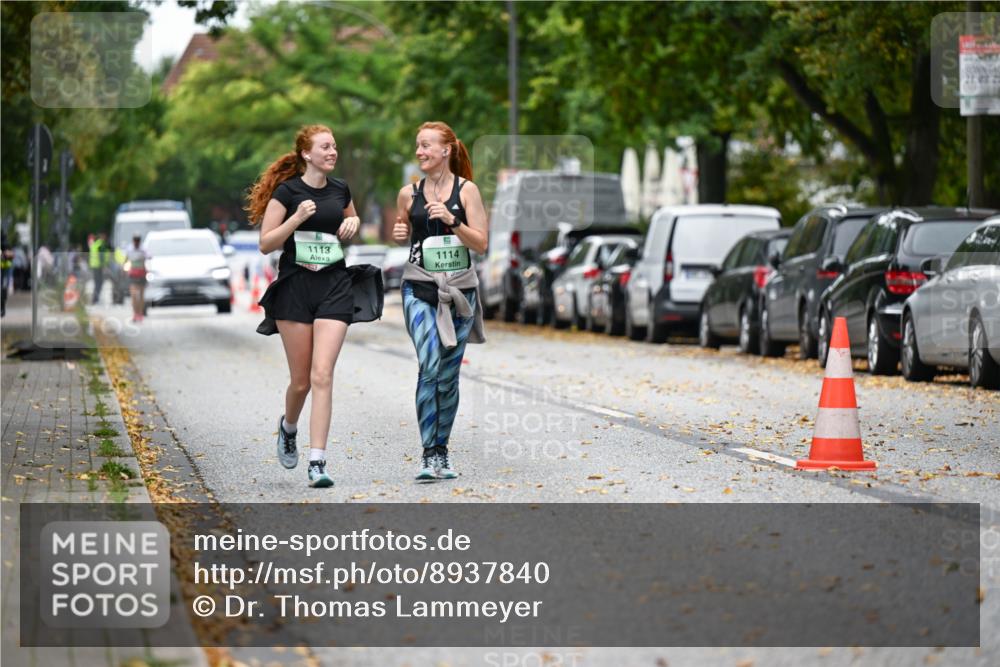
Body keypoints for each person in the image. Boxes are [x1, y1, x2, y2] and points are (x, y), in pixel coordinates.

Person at [245, 124, 360, 488]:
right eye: (325, 147)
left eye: (334, 146)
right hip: (295, 288)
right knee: (301, 382)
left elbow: (350, 218)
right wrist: (295, 219)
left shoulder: (341, 189)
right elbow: (266, 243)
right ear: (306, 154)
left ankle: (317, 462)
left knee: (322, 374)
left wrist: (353, 221)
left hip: (335, 286)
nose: (332, 152)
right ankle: (288, 427)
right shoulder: (288, 191)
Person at [392, 121, 488, 481]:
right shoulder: (408, 192)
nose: (420, 152)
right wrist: (400, 231)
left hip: (460, 290)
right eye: (418, 146)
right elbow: (403, 229)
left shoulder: (467, 192)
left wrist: (452, 221)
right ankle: (427, 453)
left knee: (448, 378)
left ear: (446, 150)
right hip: (418, 285)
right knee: (429, 363)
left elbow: (480, 243)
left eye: (427, 146)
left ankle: (442, 451)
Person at [125, 235, 148, 323]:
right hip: (133, 274)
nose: (136, 243)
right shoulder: (129, 249)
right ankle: (135, 314)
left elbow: (149, 256)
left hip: (141, 274)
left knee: (141, 295)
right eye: (135, 241)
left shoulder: (143, 249)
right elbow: (126, 259)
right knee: (134, 295)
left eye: (138, 241)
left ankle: (140, 313)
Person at [88, 232, 108, 304]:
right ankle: (95, 299)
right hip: (98, 266)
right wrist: (103, 266)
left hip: (94, 265)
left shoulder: (96, 244)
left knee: (97, 283)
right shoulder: (101, 244)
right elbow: (101, 256)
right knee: (99, 283)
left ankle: (95, 298)